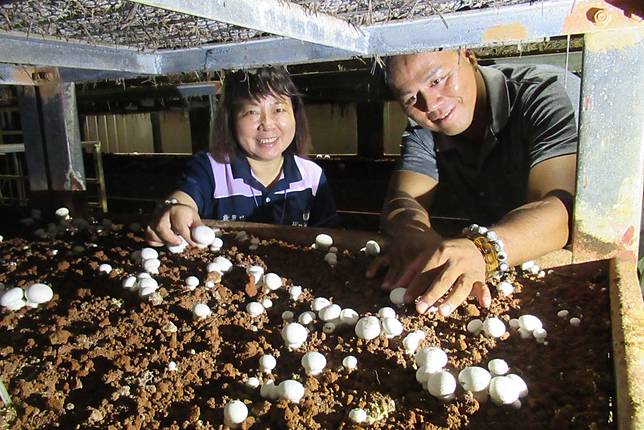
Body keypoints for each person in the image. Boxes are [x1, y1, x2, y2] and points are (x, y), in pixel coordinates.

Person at [367, 48, 579, 317]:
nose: (430, 104)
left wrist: (484, 249)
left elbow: (560, 211)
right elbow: (403, 198)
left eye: (437, 80)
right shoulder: (423, 128)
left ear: (469, 56)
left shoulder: (540, 96)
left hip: (570, 271)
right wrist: (412, 234)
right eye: (410, 98)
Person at [146, 67, 339, 247]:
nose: (267, 124)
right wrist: (174, 208)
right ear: (230, 119)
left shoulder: (312, 176)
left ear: (295, 114)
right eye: (252, 111)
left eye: (279, 109)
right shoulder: (211, 168)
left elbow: (329, 238)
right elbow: (184, 197)